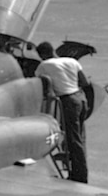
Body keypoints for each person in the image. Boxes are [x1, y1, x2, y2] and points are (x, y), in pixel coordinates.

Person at [34, 41, 90, 183]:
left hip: (68, 102)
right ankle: (81, 172)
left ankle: (79, 177)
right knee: (80, 138)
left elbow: (41, 84)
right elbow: (85, 83)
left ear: (43, 54)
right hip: (81, 98)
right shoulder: (72, 61)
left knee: (73, 140)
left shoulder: (44, 66)